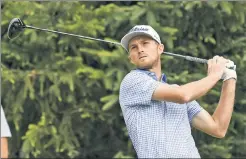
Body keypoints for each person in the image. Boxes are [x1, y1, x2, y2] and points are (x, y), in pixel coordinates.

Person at [119, 25, 237, 158]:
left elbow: (218, 128)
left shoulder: (175, 90)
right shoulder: (132, 81)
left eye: (145, 43)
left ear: (160, 48)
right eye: (133, 47)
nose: (140, 49)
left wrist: (230, 78)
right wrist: (215, 75)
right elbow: (183, 95)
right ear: (130, 57)